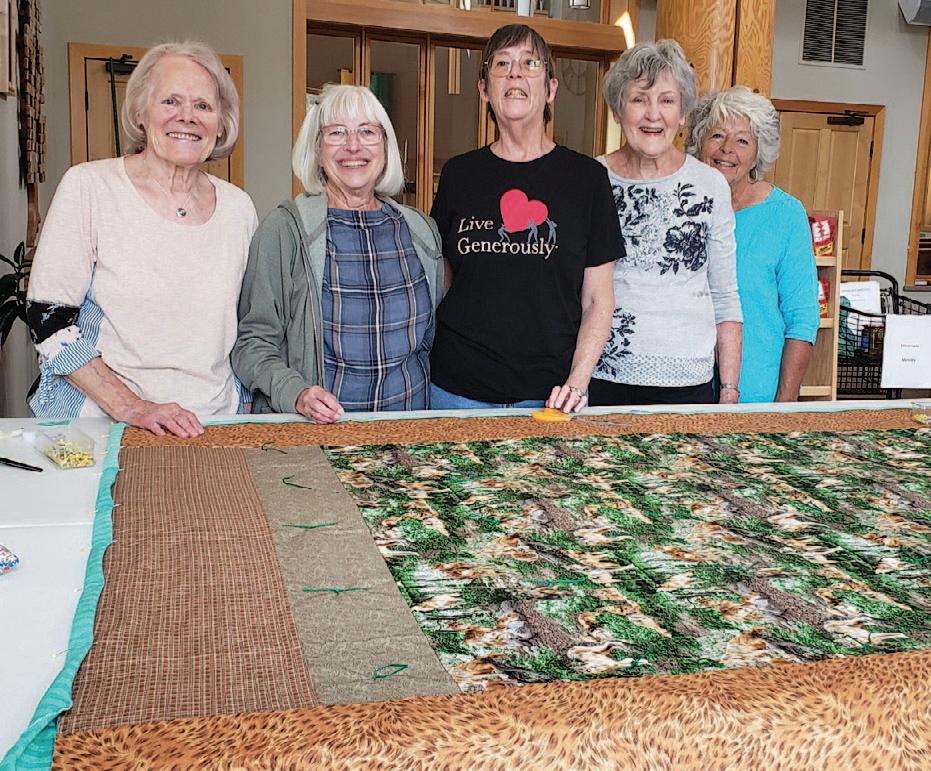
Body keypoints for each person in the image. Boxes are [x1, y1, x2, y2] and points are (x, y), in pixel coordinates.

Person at [26, 41, 256, 437]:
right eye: (170, 101)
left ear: (221, 123)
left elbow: (243, 326)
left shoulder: (239, 208)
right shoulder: (90, 187)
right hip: (102, 425)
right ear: (140, 112)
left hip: (214, 423)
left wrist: (244, 409)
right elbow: (48, 320)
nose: (187, 116)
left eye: (203, 105)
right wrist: (132, 407)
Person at [429, 24, 620, 412]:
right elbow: (442, 280)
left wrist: (577, 383)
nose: (515, 73)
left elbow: (598, 299)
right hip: (456, 390)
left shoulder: (587, 179)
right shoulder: (458, 175)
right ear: (484, 89)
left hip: (550, 395)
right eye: (502, 64)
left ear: (550, 89)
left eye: (530, 63)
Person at [232, 84, 443, 423]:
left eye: (367, 132)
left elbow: (429, 342)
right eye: (336, 133)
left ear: (385, 146)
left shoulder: (421, 231)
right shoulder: (286, 230)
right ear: (317, 149)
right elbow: (251, 343)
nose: (353, 145)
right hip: (317, 435)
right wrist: (295, 393)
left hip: (407, 433)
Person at [590, 40, 742, 406]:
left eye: (667, 100)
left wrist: (729, 390)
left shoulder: (710, 185)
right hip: (601, 374)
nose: (653, 115)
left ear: (683, 113)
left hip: (688, 381)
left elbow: (725, 296)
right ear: (617, 110)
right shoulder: (591, 178)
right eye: (639, 99)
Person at [687, 86, 819, 402]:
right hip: (681, 389)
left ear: (759, 153)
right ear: (700, 142)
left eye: (742, 141)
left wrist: (784, 407)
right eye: (717, 135)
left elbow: (801, 321)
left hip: (755, 393)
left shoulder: (785, 215)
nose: (727, 149)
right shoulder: (681, 205)